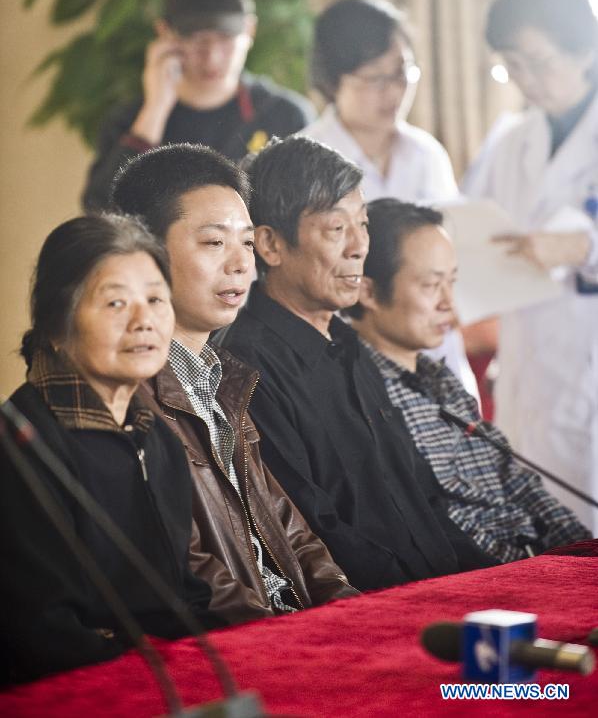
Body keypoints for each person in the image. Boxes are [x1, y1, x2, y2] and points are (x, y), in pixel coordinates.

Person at [217, 135, 494, 592]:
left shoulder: (350, 344)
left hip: (437, 591)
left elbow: (422, 499)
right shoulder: (248, 365)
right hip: (372, 609)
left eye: (362, 225)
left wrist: (493, 578)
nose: (358, 247)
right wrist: (427, 597)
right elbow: (313, 530)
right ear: (270, 244)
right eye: (335, 229)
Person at [111, 143, 357, 623]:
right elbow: (183, 567)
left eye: (246, 242)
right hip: (239, 646)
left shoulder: (221, 377)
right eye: (213, 242)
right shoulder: (124, 396)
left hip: (290, 629)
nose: (242, 264)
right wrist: (284, 635)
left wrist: (348, 609)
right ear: (145, 252)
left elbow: (294, 533)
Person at [0, 214, 217, 685]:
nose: (144, 321)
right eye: (116, 302)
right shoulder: (21, 442)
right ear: (56, 326)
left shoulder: (155, 436)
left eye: (156, 300)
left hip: (162, 672)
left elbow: (183, 597)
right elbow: (43, 631)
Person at [347, 198, 590, 563]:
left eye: (453, 283)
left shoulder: (438, 377)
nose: (450, 302)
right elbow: (443, 524)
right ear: (367, 291)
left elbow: (518, 482)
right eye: (431, 286)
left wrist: (582, 553)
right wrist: (528, 569)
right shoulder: (360, 393)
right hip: (487, 576)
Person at [463, 0, 598, 532]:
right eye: (511, 65)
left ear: (585, 49)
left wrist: (582, 247)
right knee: (539, 545)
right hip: (527, 362)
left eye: (536, 62)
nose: (524, 80)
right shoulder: (512, 140)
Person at [302, 0, 476, 396]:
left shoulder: (426, 153)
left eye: (403, 73)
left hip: (434, 353)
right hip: (347, 358)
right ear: (332, 81)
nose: (394, 91)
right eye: (375, 79)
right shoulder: (304, 161)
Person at [83, 0, 315, 211]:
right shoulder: (129, 121)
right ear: (165, 33)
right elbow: (101, 214)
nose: (212, 57)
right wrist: (155, 110)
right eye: (196, 40)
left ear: (249, 30)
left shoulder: (283, 115)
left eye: (225, 40)